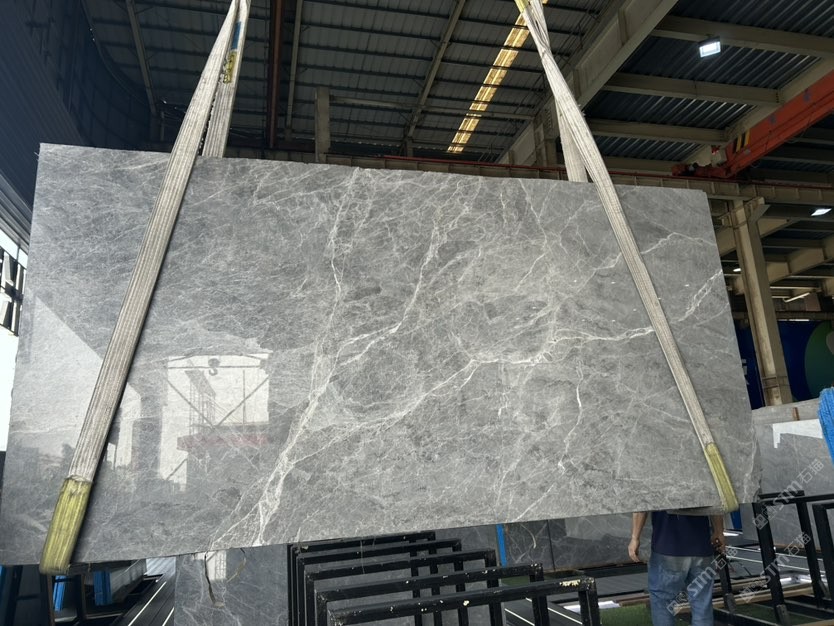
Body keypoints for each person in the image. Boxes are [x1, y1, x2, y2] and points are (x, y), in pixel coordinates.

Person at [629, 510, 725, 626]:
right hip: (702, 547)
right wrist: (719, 531)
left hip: (667, 547)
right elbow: (716, 503)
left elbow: (641, 507)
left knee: (663, 602)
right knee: (702, 602)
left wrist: (635, 538)